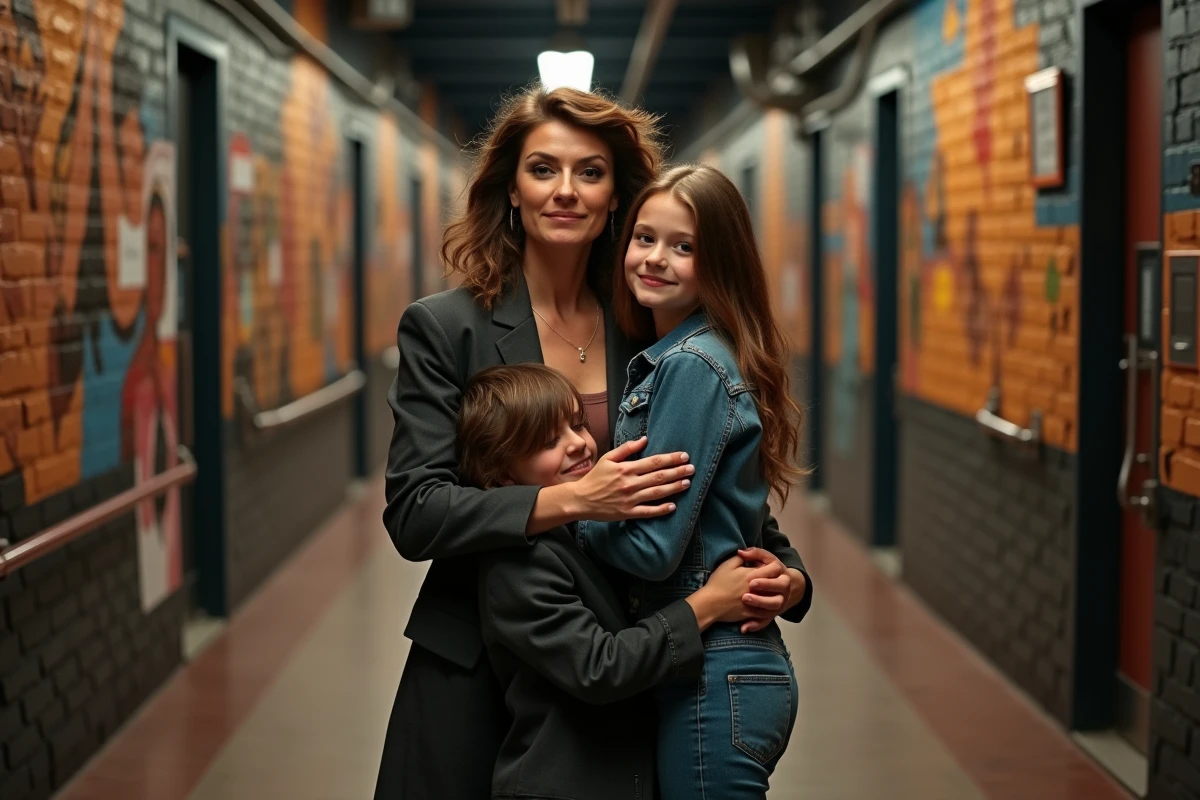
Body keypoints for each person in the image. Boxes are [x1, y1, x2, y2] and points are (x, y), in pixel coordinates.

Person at [374, 86, 813, 800]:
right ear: (510, 190)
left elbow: (703, 477)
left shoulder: (646, 322)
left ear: (618, 198)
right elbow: (417, 512)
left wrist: (787, 576)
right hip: (484, 662)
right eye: (543, 169)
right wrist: (570, 500)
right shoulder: (446, 327)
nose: (566, 191)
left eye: (591, 172)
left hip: (623, 659)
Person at [577, 164, 806, 798]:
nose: (655, 259)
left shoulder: (690, 366)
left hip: (715, 672)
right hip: (722, 670)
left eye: (684, 247)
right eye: (645, 238)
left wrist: (572, 509)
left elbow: (654, 552)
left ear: (719, 262)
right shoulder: (694, 351)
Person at [459, 363, 787, 799]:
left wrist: (790, 575)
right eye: (547, 442)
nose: (578, 445)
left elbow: (729, 511)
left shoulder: (591, 520)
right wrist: (709, 603)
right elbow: (600, 667)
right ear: (503, 475)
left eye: (577, 424)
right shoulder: (517, 563)